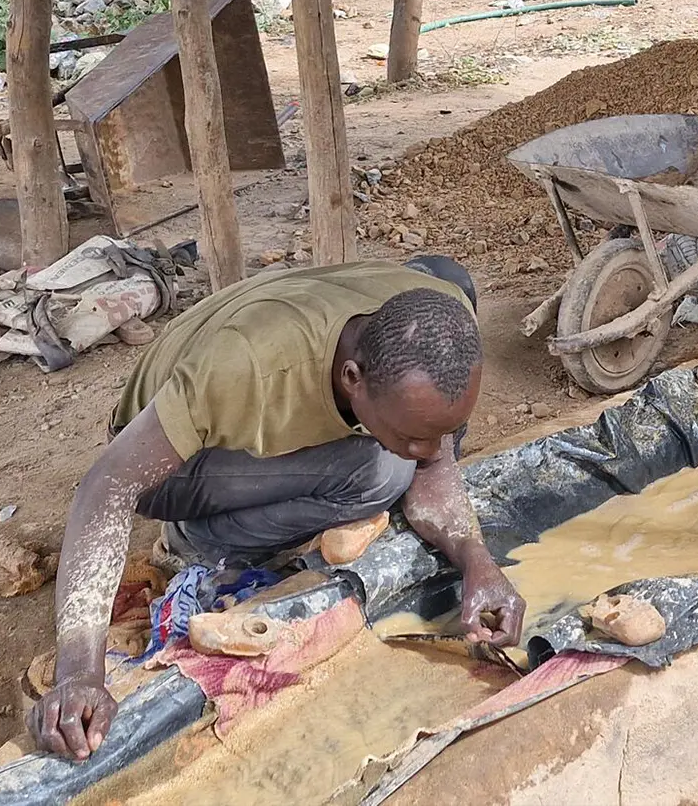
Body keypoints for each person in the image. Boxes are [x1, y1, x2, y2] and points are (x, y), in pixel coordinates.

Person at [28, 258, 525, 760]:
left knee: (401, 460)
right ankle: (198, 539)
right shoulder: (247, 369)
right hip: (166, 465)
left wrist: (478, 563)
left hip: (251, 365)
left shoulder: (441, 318)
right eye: (415, 434)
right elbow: (108, 485)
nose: (432, 450)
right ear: (352, 377)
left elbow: (436, 465)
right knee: (383, 474)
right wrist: (78, 673)